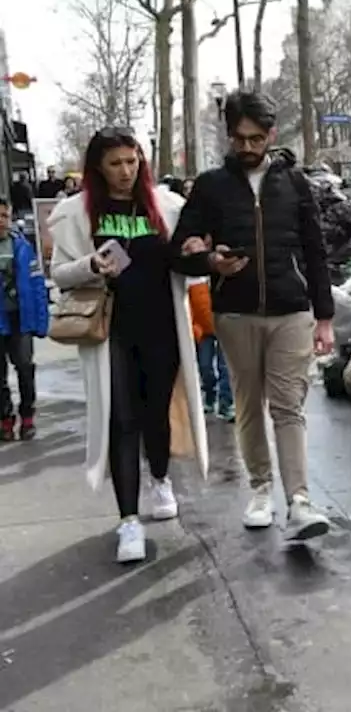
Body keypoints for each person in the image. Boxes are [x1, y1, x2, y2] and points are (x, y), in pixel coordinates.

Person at [172, 92, 335, 541]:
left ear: (271, 135)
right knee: (247, 403)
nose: (248, 147)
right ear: (229, 135)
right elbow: (180, 250)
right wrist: (208, 262)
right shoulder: (210, 186)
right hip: (235, 312)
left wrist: (324, 317)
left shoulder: (296, 183)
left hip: (291, 311)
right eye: (240, 138)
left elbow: (316, 252)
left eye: (256, 138)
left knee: (288, 406)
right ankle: (261, 489)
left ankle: (299, 501)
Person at [47, 127, 209, 564]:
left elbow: (186, 261)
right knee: (122, 420)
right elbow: (59, 273)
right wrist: (91, 265)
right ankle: (128, 521)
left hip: (161, 328)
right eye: (115, 163)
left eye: (132, 161)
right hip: (111, 332)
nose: (125, 171)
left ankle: (160, 476)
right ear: (98, 166)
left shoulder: (166, 207)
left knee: (156, 415)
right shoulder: (77, 213)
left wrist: (206, 253)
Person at [0, 196, 48, 441]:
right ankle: (5, 419)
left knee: (25, 370)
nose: (1, 222)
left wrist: (41, 321)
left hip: (21, 319)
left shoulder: (23, 246)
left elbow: (38, 284)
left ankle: (27, 416)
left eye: (4, 216)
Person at [189, 275, 234, 421]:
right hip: (204, 331)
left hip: (224, 328)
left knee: (225, 368)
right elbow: (188, 306)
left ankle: (225, 403)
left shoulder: (227, 279)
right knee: (204, 366)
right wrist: (195, 327)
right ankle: (210, 394)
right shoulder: (194, 279)